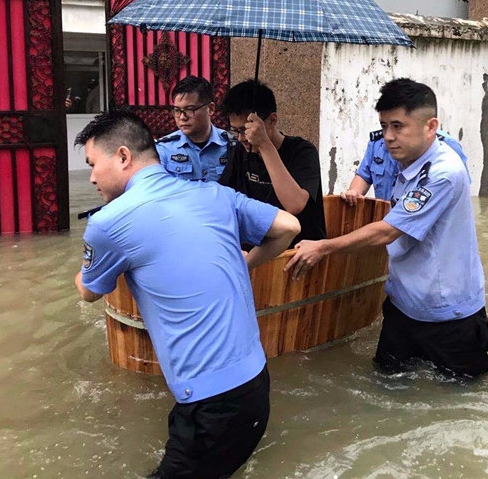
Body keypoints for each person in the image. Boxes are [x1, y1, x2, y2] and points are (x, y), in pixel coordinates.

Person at [74, 110, 300, 478]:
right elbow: (289, 226)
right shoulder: (214, 193)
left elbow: (88, 292)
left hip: (212, 407)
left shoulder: (108, 223)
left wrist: (90, 260)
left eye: (93, 163)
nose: (92, 177)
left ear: (123, 157)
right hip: (256, 384)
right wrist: (244, 263)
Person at [285, 79, 488, 379]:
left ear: (430, 126)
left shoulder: (443, 172)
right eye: (384, 126)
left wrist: (323, 247)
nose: (389, 137)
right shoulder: (403, 157)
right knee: (386, 384)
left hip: (450, 315)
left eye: (398, 126)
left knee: (464, 402)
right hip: (403, 305)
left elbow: (388, 231)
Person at [219, 79, 326, 247]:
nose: (241, 138)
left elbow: (295, 204)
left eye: (245, 130)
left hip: (298, 253)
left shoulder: (302, 151)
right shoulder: (240, 152)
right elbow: (223, 197)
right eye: (235, 131)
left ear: (272, 120)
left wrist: (264, 145)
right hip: (254, 252)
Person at [340, 128, 469, 204]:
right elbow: (364, 175)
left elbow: (459, 192)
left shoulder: (445, 147)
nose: (389, 135)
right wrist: (353, 194)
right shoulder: (378, 143)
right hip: (387, 227)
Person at [156, 75, 231, 181]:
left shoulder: (230, 145)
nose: (182, 117)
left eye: (190, 110)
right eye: (177, 110)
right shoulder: (164, 149)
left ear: (210, 109)